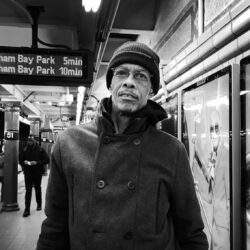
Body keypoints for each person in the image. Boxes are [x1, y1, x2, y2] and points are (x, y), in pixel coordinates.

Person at [36, 42, 208, 250]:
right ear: (110, 84)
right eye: (121, 73)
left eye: (141, 76)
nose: (129, 82)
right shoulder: (69, 143)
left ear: (151, 90)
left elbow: (191, 232)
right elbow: (54, 228)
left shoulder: (171, 150)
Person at [19, 135, 50, 217]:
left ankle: (39, 204)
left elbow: (47, 160)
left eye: (31, 141)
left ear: (35, 141)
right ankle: (27, 209)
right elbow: (20, 159)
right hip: (28, 172)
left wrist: (37, 163)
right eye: (28, 141)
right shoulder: (24, 149)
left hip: (37, 172)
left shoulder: (40, 149)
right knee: (28, 190)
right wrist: (24, 162)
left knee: (37, 188)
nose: (30, 142)